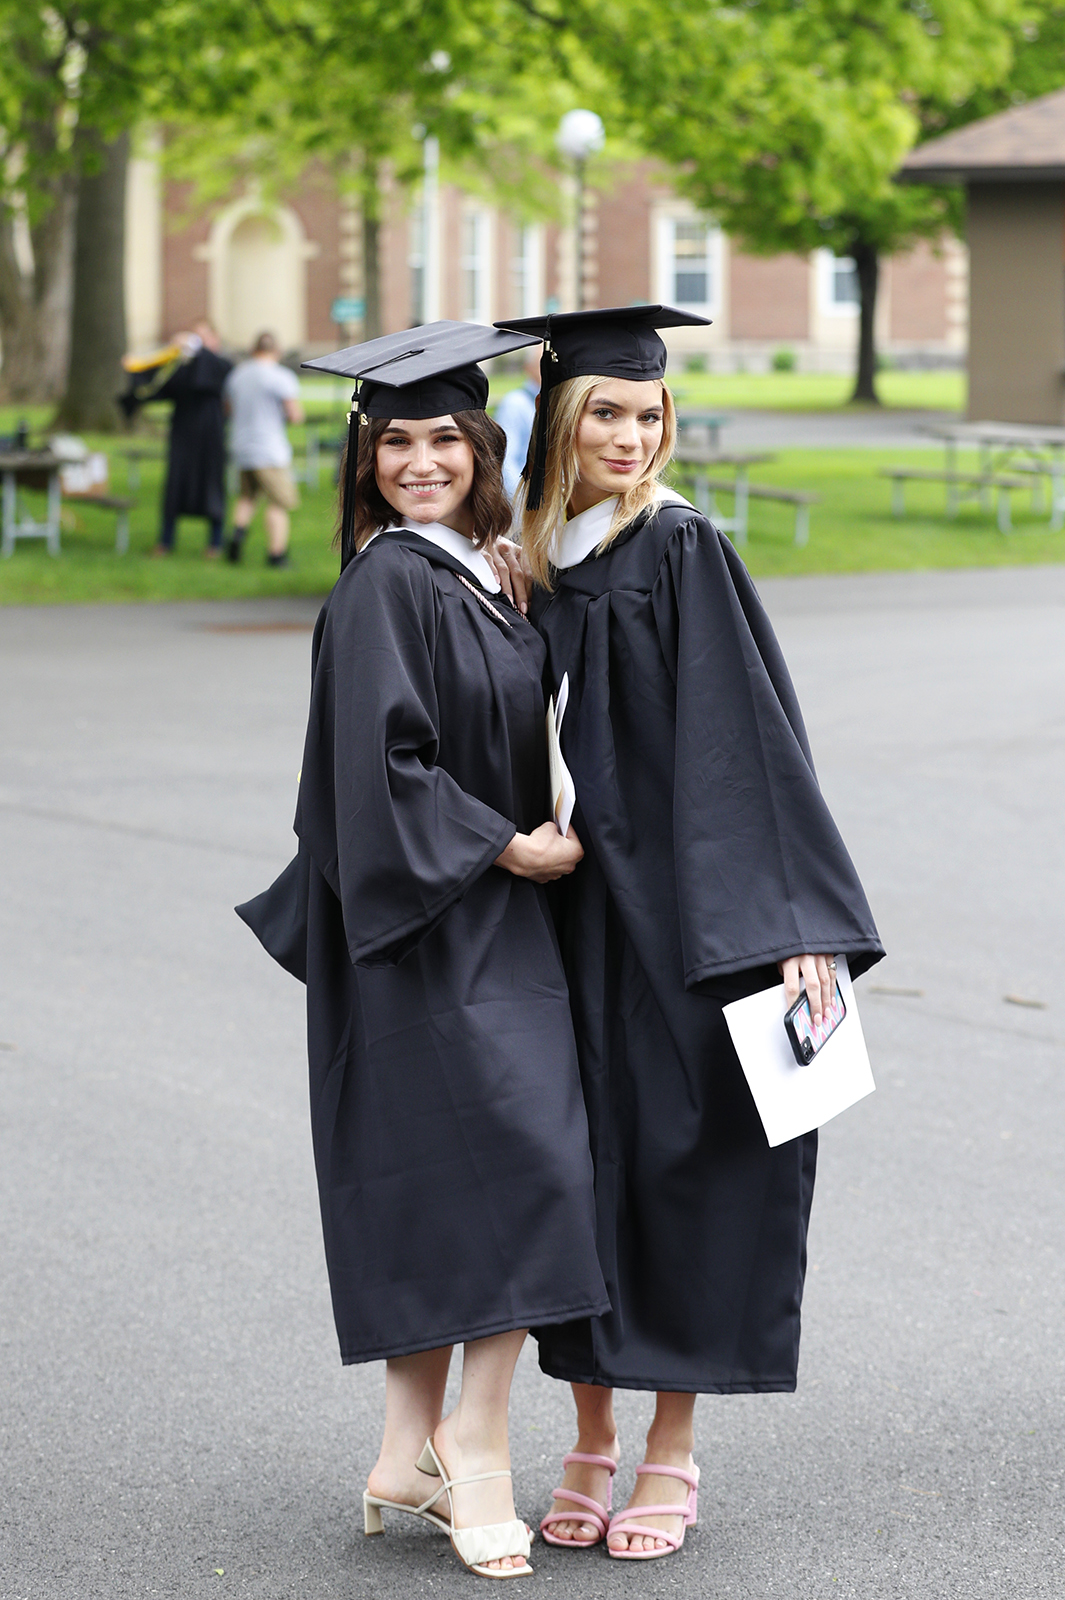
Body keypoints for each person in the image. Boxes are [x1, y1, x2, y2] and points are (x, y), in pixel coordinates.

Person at [494, 305, 884, 1561]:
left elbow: (750, 742)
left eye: (647, 413)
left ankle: (670, 1446)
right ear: (558, 418)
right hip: (558, 917)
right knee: (572, 1171)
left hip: (678, 917)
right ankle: (587, 1434)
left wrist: (792, 921)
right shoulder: (525, 562)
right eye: (603, 412)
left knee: (685, 1160)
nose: (628, 435)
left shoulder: (679, 548)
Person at [235, 322, 610, 1582]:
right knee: (530, 1166)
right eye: (394, 442)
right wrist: (507, 846)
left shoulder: (468, 570)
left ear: (481, 448)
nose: (419, 462)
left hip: (467, 919)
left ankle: (406, 1451)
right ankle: (478, 1446)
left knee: (458, 1180)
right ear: (366, 459)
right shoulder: (389, 583)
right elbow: (380, 769)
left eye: (444, 438)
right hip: (438, 919)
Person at [146, 321, 232, 556]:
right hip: (183, 435)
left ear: (215, 340)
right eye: (194, 337)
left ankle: (215, 543)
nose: (196, 343)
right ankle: (166, 541)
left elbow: (217, 377)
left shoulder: (221, 364)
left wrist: (199, 350)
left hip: (211, 436)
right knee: (175, 487)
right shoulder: (182, 366)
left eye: (203, 338)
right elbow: (158, 389)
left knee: (212, 487)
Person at [223, 332, 304, 567]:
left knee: (247, 496)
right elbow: (295, 414)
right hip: (269, 450)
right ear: (276, 351)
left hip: (241, 445)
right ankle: (276, 554)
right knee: (278, 501)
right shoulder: (280, 376)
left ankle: (236, 539)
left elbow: (228, 409)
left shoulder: (237, 375)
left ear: (253, 349)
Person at [493, 346, 540, 500]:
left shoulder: (558, 402)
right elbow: (506, 462)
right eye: (542, 364)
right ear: (528, 368)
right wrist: (523, 503)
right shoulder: (515, 404)